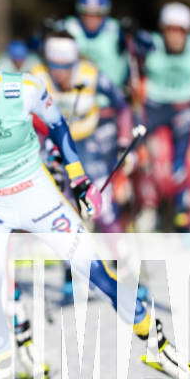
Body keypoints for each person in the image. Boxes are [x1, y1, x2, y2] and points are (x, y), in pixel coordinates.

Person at [0, 23, 184, 379]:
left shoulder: (23, 88)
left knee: (95, 272)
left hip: (37, 195)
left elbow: (59, 129)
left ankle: (155, 341)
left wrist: (78, 179)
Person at [29, 33, 134, 232]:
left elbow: (122, 106)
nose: (60, 73)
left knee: (102, 207)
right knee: (58, 203)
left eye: (66, 66)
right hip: (52, 144)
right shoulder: (36, 77)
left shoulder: (90, 74)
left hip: (87, 143)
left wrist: (124, 142)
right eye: (54, 66)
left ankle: (121, 257)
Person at [132, 2, 190, 232]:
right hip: (155, 105)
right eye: (170, 30)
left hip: (183, 106)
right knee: (146, 156)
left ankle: (187, 212)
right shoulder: (152, 45)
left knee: (185, 160)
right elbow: (132, 53)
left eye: (180, 31)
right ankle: (147, 208)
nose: (174, 37)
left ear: (187, 32)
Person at [61, 0, 131, 90]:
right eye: (86, 13)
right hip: (75, 96)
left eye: (98, 14)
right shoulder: (67, 27)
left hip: (111, 99)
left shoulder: (117, 30)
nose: (91, 19)